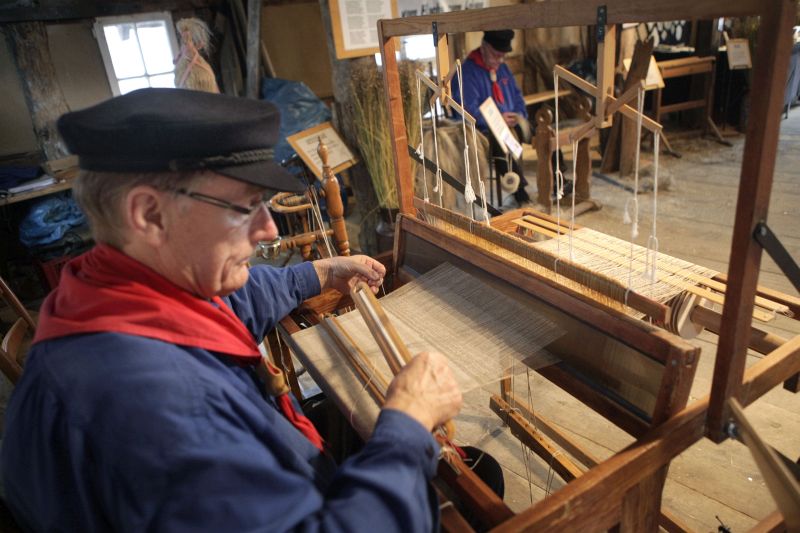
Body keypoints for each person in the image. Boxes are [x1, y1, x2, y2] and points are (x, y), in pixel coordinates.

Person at [0, 88, 464, 531]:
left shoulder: (108, 292)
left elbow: (224, 304)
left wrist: (318, 274)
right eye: (245, 207)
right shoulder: (157, 409)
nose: (268, 229)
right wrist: (407, 427)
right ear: (150, 215)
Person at [452, 29, 569, 208]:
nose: (500, 60)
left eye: (503, 56)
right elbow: (465, 109)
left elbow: (517, 96)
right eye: (496, 55)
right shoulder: (466, 73)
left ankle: (559, 181)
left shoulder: (502, 68)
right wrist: (496, 120)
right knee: (500, 143)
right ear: (484, 47)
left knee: (544, 132)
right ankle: (520, 194)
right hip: (483, 129)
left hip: (512, 122)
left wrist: (519, 114)